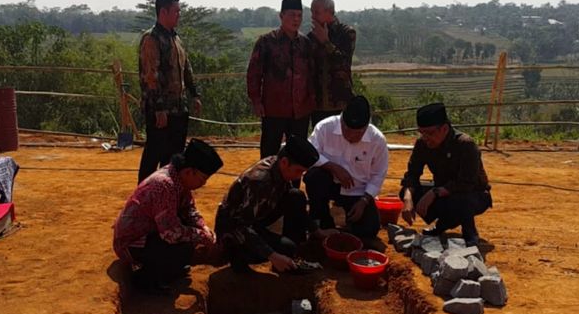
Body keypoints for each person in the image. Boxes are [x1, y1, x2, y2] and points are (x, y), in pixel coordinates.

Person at [113, 138, 223, 293]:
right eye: (202, 179)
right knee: (184, 247)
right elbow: (170, 233)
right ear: (189, 171)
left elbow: (190, 210)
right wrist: (201, 236)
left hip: (150, 233)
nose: (203, 184)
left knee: (188, 238)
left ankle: (166, 269)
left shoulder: (178, 179)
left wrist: (202, 227)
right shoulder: (164, 185)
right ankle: (145, 281)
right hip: (132, 242)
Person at [215, 135, 320, 274]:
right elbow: (241, 225)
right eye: (298, 171)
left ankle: (291, 258)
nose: (299, 176)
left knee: (296, 196)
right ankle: (238, 258)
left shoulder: (278, 167)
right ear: (284, 162)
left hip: (256, 218)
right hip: (233, 230)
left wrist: (316, 231)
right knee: (286, 248)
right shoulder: (260, 181)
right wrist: (273, 255)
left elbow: (290, 198)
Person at [399, 103, 492, 246]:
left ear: (444, 129)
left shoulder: (465, 145)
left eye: (429, 133)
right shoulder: (422, 144)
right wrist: (407, 199)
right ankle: (443, 225)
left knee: (461, 198)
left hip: (475, 194)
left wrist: (434, 193)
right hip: (442, 191)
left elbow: (467, 183)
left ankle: (470, 234)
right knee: (408, 192)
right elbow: (412, 174)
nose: (425, 137)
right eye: (421, 132)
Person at [137, 0, 202, 184]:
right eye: (176, 11)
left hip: (178, 108)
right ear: (163, 12)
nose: (179, 15)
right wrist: (159, 109)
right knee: (154, 155)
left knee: (174, 158)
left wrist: (194, 93)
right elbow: (151, 76)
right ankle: (144, 198)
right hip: (161, 110)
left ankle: (168, 196)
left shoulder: (176, 39)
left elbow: (186, 68)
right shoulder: (152, 39)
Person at [304, 95, 389, 241]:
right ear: (341, 119)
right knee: (315, 176)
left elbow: (378, 175)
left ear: (366, 126)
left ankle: (349, 226)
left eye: (358, 133)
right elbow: (310, 154)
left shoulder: (377, 140)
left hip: (357, 192)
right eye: (347, 130)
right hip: (328, 185)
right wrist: (333, 167)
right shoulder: (325, 127)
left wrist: (364, 201)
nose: (350, 136)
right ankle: (321, 218)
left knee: (369, 230)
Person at [247, 0, 315, 159]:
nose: (296, 19)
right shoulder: (266, 42)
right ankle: (268, 185)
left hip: (300, 111)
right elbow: (254, 74)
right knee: (269, 154)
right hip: (273, 109)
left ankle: (292, 185)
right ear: (281, 16)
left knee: (297, 155)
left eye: (299, 15)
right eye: (292, 15)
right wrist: (256, 101)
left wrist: (311, 102)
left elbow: (311, 76)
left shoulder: (305, 44)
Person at [307, 0, 357, 127]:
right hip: (317, 105)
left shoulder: (347, 33)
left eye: (316, 12)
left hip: (341, 101)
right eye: (312, 12)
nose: (312, 16)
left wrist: (325, 41)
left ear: (329, 12)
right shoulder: (311, 37)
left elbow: (343, 63)